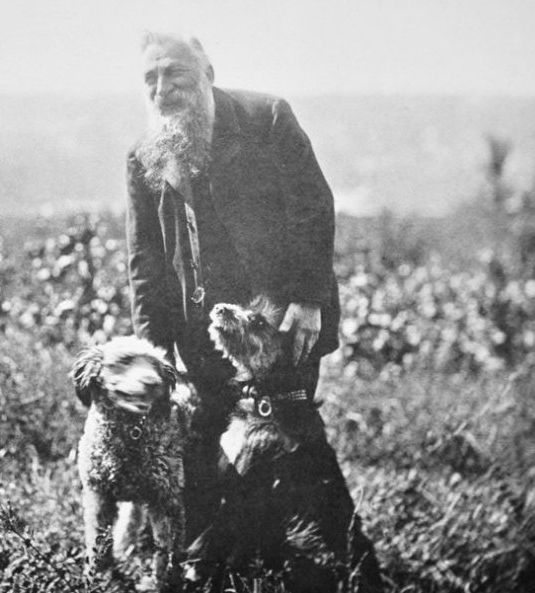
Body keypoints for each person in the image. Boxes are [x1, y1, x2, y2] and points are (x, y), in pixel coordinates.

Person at [125, 31, 381, 588]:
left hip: (281, 323)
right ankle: (209, 564)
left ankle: (357, 569)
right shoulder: (144, 155)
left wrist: (309, 299)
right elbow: (146, 261)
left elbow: (315, 207)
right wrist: (152, 349)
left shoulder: (266, 119)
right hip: (202, 337)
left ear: (208, 72)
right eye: (151, 79)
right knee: (201, 442)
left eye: (176, 74)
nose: (163, 89)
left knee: (292, 438)